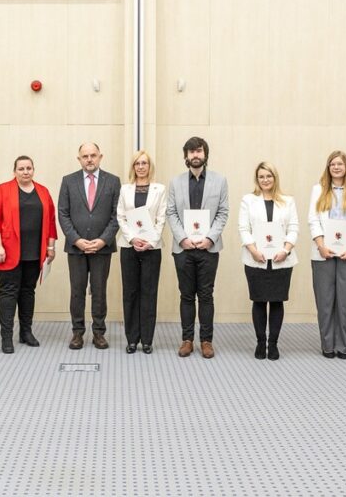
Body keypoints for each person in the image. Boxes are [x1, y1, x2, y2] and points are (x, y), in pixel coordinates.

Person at [165, 136, 229, 359]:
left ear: (205, 155)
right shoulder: (176, 182)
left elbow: (223, 213)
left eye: (199, 151)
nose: (195, 155)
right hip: (183, 248)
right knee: (186, 295)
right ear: (186, 156)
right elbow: (171, 212)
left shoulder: (220, 181)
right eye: (191, 152)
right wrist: (182, 238)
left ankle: (206, 341)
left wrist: (210, 239)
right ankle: (187, 339)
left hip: (208, 248)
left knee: (206, 295)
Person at [0, 156, 58, 354]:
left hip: (35, 252)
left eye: (29, 168)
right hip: (8, 251)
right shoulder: (3, 190)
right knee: (9, 292)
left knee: (28, 291)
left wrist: (50, 248)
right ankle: (6, 337)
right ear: (15, 171)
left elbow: (51, 221)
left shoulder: (43, 191)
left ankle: (26, 332)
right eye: (21, 168)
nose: (25, 171)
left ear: (33, 170)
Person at [58, 142, 121, 350]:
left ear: (100, 157)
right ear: (79, 159)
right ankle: (77, 333)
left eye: (93, 155)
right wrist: (77, 240)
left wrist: (103, 240)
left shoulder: (113, 182)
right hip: (76, 248)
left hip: (102, 248)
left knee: (99, 291)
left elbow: (116, 215)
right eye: (85, 156)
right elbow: (63, 214)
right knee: (77, 291)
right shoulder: (68, 181)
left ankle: (99, 333)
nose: (89, 159)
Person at [307, 151, 346, 359]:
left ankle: (343, 346)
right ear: (328, 167)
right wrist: (321, 246)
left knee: (344, 302)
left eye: (340, 164)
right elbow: (313, 220)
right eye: (332, 164)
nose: (336, 167)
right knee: (325, 302)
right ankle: (328, 345)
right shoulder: (318, 190)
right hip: (323, 253)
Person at [239, 162, 298, 360]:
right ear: (257, 179)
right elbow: (243, 228)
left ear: (275, 178)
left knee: (276, 301)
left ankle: (273, 344)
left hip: (282, 259)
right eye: (262, 176)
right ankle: (260, 343)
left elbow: (294, 228)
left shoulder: (288, 201)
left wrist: (286, 250)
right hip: (256, 259)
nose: (265, 180)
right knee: (258, 301)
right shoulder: (248, 200)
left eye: (269, 176)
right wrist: (254, 251)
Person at [116, 150, 166, 354]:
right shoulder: (125, 189)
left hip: (151, 248)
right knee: (130, 293)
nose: (141, 167)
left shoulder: (160, 189)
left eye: (144, 163)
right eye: (137, 163)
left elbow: (161, 218)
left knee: (149, 293)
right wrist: (133, 238)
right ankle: (132, 339)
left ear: (149, 166)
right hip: (129, 247)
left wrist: (149, 241)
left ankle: (147, 339)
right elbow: (121, 216)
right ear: (133, 167)